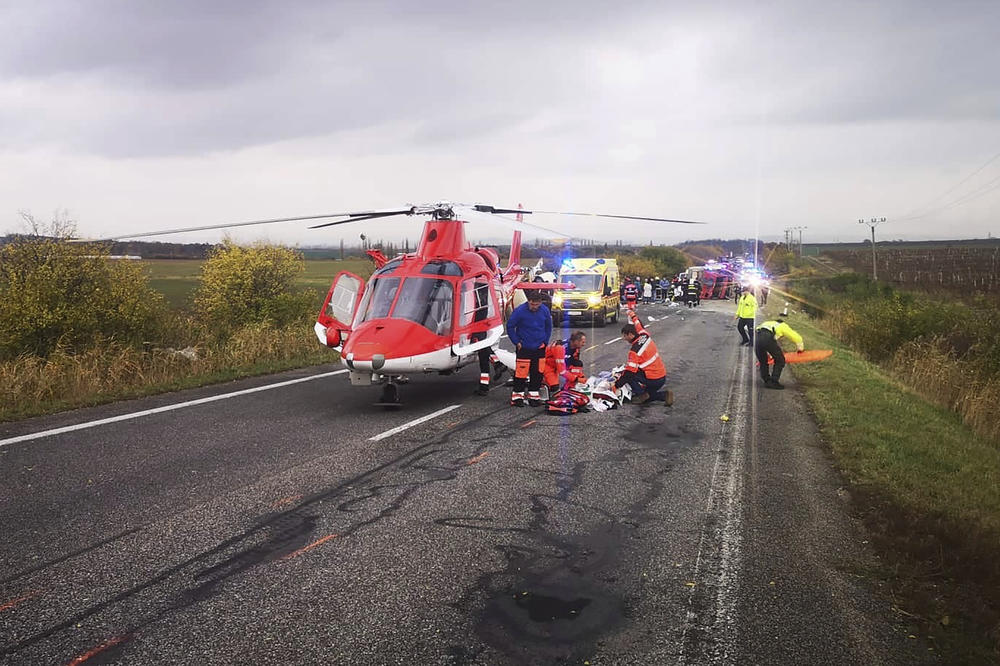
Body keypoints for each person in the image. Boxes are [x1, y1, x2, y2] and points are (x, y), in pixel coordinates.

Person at [615, 311, 673, 408]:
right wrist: (632, 315)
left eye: (624, 336)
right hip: (661, 376)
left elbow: (629, 373)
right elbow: (638, 324)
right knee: (648, 395)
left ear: (630, 335)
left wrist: (616, 385)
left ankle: (641, 394)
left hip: (653, 379)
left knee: (626, 373)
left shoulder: (634, 351)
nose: (623, 338)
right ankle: (664, 395)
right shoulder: (644, 335)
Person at [506, 291, 552, 406]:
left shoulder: (544, 310)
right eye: (532, 305)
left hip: (539, 347)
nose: (534, 307)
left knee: (537, 373)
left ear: (540, 303)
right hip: (524, 347)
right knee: (521, 373)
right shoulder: (520, 311)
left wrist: (545, 341)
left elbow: (548, 326)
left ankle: (534, 397)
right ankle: (517, 398)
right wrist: (516, 342)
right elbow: (510, 326)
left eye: (536, 305)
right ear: (528, 302)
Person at [754, 318, 804, 389]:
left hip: (757, 337)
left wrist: (770, 353)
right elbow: (797, 338)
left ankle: (767, 381)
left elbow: (763, 339)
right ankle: (774, 382)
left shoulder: (767, 323)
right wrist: (800, 349)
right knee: (780, 360)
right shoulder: (783, 325)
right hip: (767, 338)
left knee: (763, 361)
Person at [543, 330, 587, 395]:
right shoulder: (560, 348)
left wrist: (581, 377)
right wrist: (577, 379)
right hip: (547, 365)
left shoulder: (576, 348)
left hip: (557, 365)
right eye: (582, 342)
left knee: (578, 363)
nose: (584, 344)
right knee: (554, 387)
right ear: (576, 341)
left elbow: (574, 364)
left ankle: (569, 387)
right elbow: (562, 371)